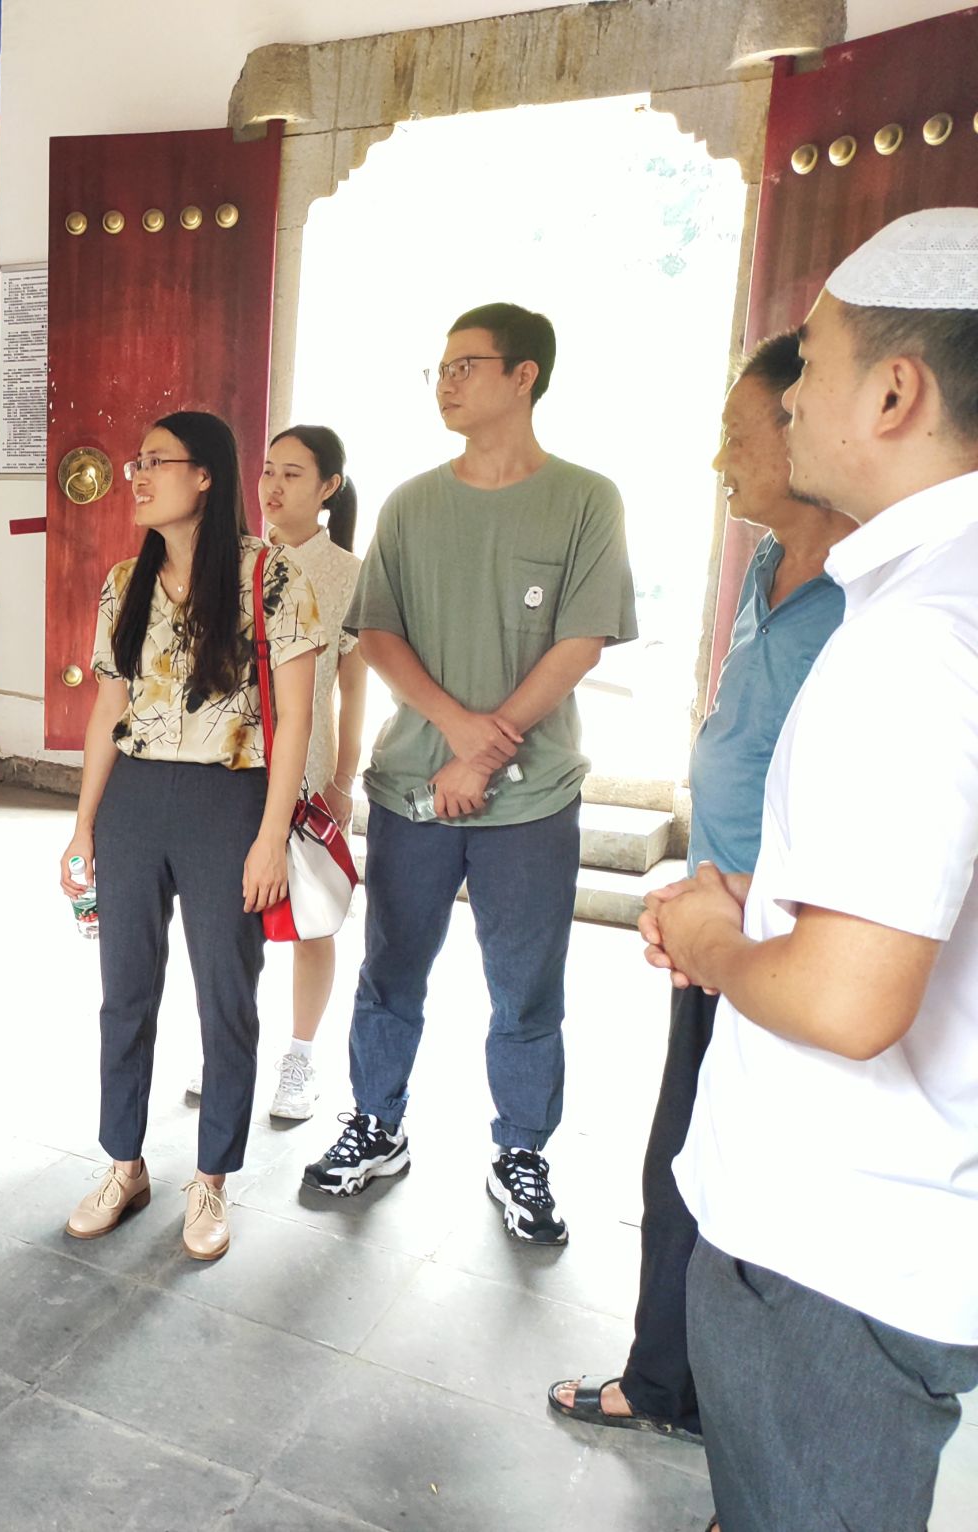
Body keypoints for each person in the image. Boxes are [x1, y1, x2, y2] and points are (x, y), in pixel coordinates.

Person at [647, 208, 978, 1531]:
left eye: (815, 359)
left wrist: (709, 935)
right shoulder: (932, 592)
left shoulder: (918, 636)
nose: (788, 396)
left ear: (894, 393)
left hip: (837, 1246)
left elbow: (848, 1000)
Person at [547, 331, 846, 1444]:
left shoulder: (879, 598)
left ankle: (727, 1409)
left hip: (799, 944)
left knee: (756, 1183)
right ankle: (671, 1379)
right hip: (719, 930)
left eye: (737, 434)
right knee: (683, 1154)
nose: (722, 459)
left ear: (809, 426)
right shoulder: (770, 567)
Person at [305, 302, 637, 1245]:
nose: (447, 383)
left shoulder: (586, 499)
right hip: (414, 787)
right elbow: (377, 631)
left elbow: (583, 640)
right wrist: (457, 734)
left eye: (466, 365)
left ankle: (521, 1151)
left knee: (526, 987)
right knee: (390, 970)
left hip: (533, 800)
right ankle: (376, 1124)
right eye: (440, 369)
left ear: (524, 376)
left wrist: (487, 752)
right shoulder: (413, 502)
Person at [60, 411, 319, 1261]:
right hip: (134, 800)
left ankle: (210, 1180)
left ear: (205, 474)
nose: (136, 476)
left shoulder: (270, 576)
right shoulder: (123, 581)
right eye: (136, 462)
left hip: (227, 802)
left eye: (156, 461)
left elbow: (295, 719)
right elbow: (108, 707)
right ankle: (123, 1164)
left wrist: (271, 835)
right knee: (124, 993)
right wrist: (84, 825)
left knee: (225, 997)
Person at [184, 424, 367, 1123]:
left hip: (308, 772)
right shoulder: (231, 560)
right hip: (228, 767)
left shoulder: (348, 575)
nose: (273, 486)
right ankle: (226, 1050)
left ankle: (300, 1057)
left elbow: (353, 687)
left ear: (328, 488)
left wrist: (344, 778)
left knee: (310, 919)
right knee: (225, 921)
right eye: (267, 471)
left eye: (293, 474)